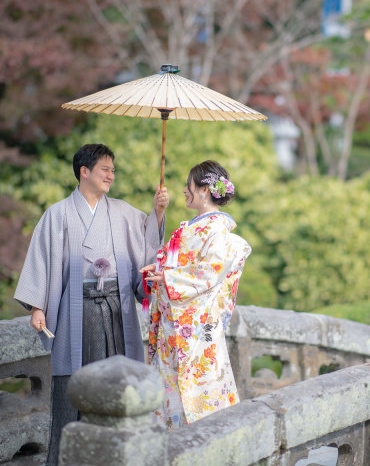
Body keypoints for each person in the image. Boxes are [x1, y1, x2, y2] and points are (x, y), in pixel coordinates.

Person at [13, 143, 168, 466]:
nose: (111, 175)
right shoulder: (58, 214)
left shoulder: (124, 212)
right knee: (74, 384)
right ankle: (67, 457)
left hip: (116, 308)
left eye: (113, 169)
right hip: (76, 311)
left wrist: (158, 212)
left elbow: (148, 243)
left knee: (118, 382)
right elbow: (41, 261)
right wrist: (38, 307)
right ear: (84, 172)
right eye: (105, 169)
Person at [141, 160, 251, 428]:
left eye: (189, 185)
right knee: (171, 387)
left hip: (194, 328)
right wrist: (158, 269)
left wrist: (166, 276)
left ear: (204, 190)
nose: (184, 190)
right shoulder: (197, 226)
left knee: (195, 388)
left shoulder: (215, 229)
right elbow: (182, 264)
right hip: (175, 323)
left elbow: (210, 272)